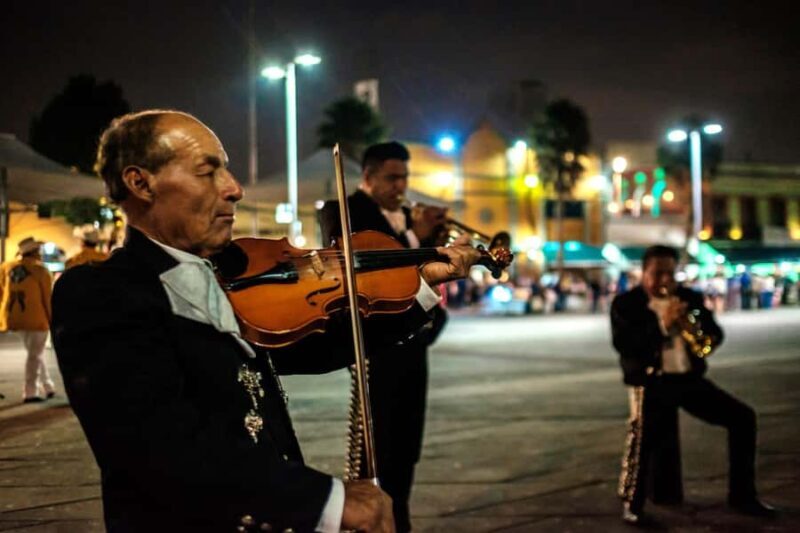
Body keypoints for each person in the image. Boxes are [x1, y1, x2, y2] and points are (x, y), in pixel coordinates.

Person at [51, 110, 481, 533]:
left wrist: (419, 285)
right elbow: (159, 450)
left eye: (228, 171)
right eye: (208, 172)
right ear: (140, 182)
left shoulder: (230, 273)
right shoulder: (101, 293)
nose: (234, 189)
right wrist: (326, 502)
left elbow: (321, 343)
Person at [318, 141, 448, 532]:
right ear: (368, 177)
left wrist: (426, 240)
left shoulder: (407, 216)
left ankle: (399, 520)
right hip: (374, 347)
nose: (401, 186)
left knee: (407, 448)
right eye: (392, 177)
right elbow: (368, 267)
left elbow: (422, 276)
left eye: (405, 177)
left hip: (414, 346)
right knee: (375, 450)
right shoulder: (344, 211)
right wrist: (413, 236)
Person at [611, 245, 775, 525]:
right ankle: (633, 505)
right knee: (642, 441)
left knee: (743, 418)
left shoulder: (689, 297)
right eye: (657, 273)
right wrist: (662, 325)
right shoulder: (626, 304)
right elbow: (625, 345)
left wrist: (697, 328)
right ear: (644, 272)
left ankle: (742, 496)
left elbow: (715, 333)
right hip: (650, 383)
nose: (664, 280)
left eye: (669, 273)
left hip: (687, 380)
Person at [0, 237, 55, 403]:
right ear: (35, 252)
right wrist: (54, 320)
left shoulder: (6, 267)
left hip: (14, 317)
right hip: (37, 319)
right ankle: (30, 391)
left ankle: (47, 385)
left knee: (35, 353)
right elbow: (47, 298)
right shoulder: (40, 270)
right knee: (35, 355)